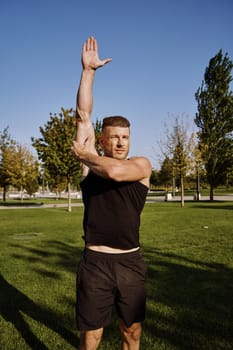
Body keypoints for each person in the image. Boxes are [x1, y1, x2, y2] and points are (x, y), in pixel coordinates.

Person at [72, 36, 152, 350]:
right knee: (90, 336)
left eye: (125, 137)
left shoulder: (141, 165)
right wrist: (88, 72)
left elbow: (117, 173)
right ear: (102, 141)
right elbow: (84, 117)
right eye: (114, 137)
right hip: (95, 263)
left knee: (131, 332)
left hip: (130, 263)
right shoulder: (91, 167)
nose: (120, 143)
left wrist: (86, 155)